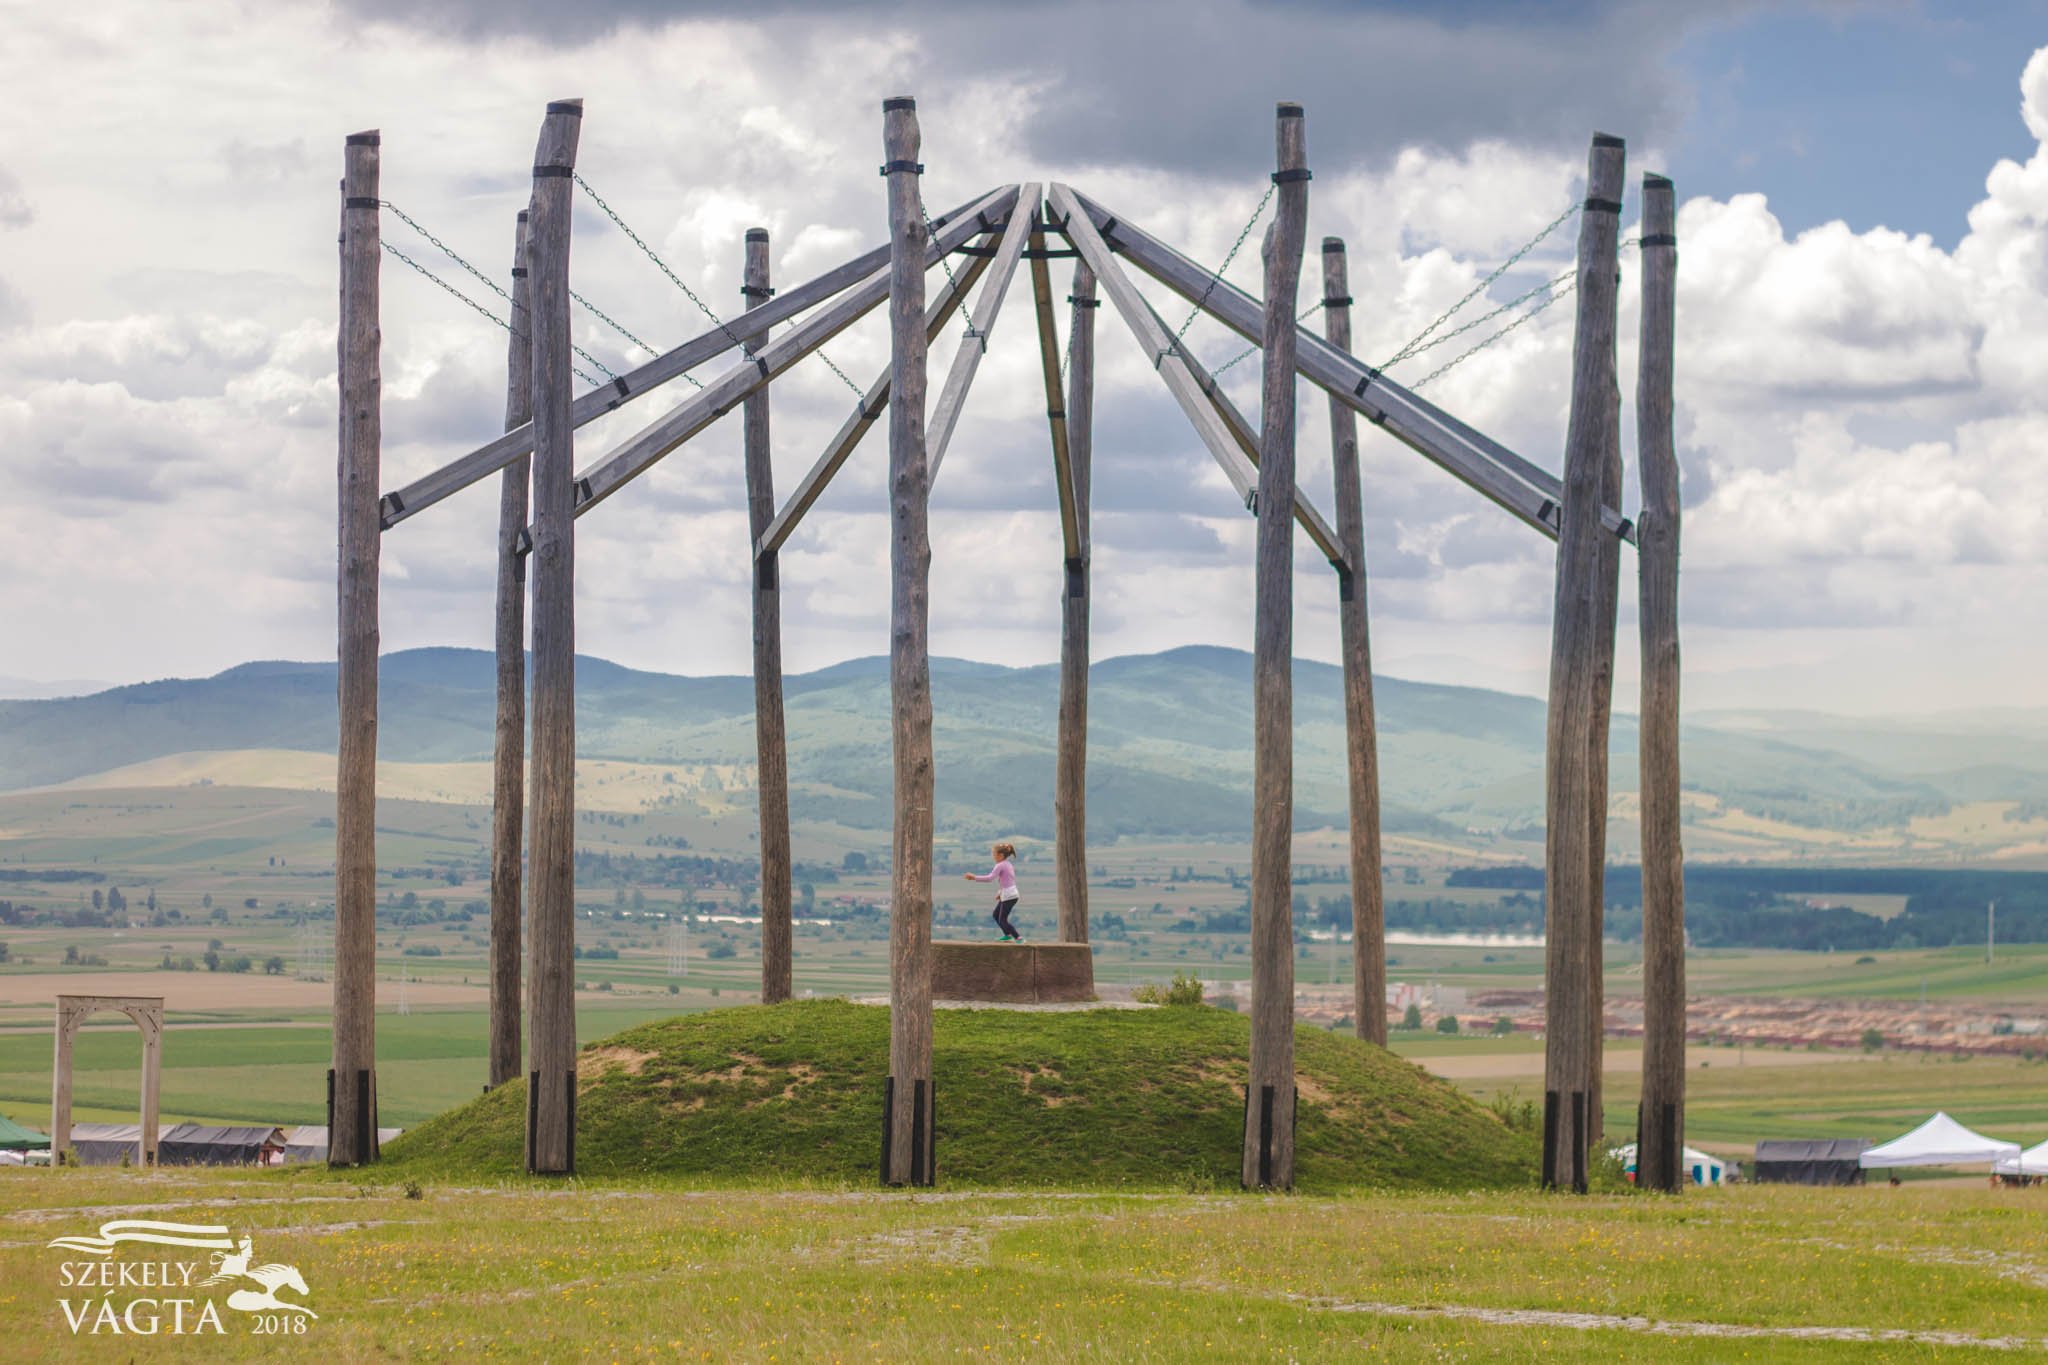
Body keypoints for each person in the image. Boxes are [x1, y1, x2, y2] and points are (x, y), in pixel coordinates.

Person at [963, 841, 1023, 941]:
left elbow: (990, 878)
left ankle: (1018, 937)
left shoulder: (1000, 865)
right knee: (996, 915)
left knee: (1002, 919)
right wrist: (1000, 893)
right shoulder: (1008, 864)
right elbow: (1007, 881)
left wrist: (974, 877)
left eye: (994, 854)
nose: (993, 857)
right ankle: (1007, 935)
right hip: (1010, 894)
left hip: (1009, 895)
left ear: (1000, 855)